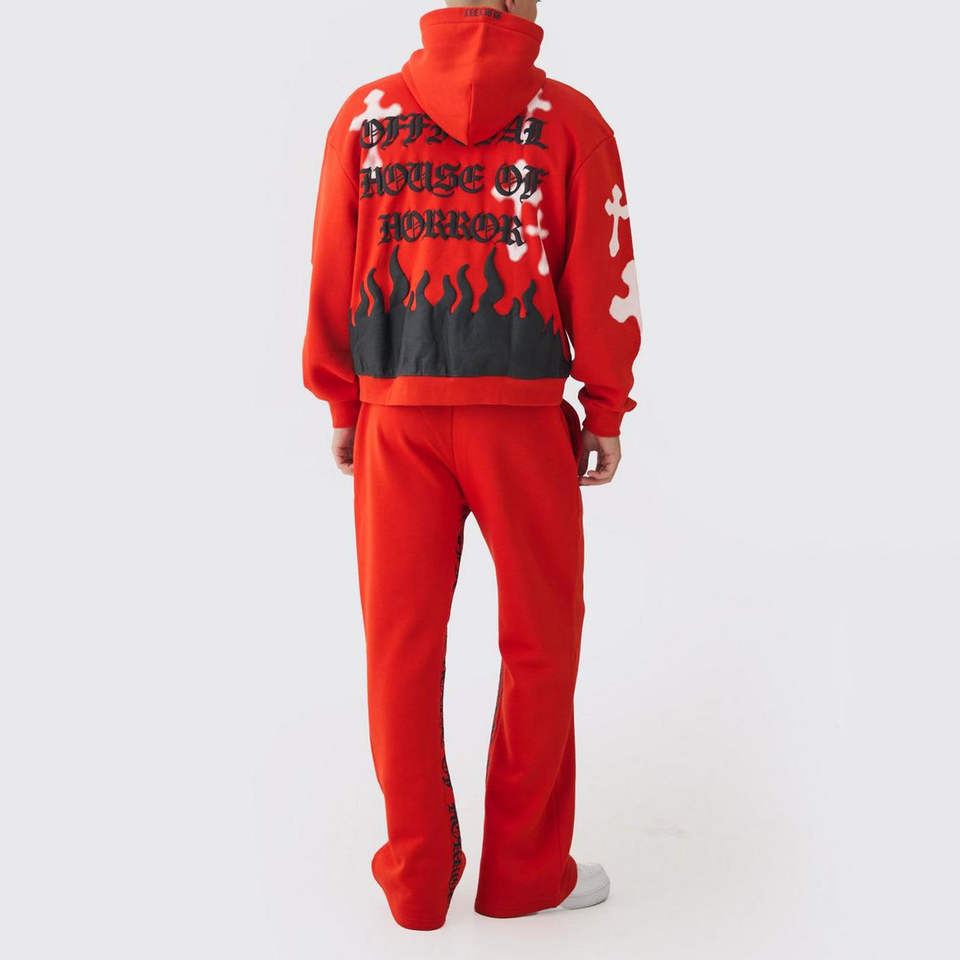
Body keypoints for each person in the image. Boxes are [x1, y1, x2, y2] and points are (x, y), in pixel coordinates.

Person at [302, 0, 641, 930]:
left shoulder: (366, 116)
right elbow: (602, 269)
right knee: (541, 640)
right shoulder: (569, 120)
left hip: (395, 418)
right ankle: (524, 872)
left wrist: (344, 400)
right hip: (521, 423)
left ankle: (416, 880)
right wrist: (606, 406)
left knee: (400, 648)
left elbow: (333, 262)